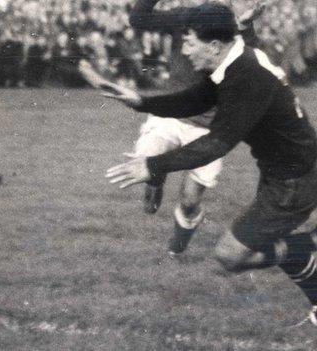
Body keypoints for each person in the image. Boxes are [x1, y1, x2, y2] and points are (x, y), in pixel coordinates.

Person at [103, 2, 317, 325]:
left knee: (230, 256)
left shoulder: (245, 75)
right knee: (260, 247)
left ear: (214, 46)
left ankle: (306, 245)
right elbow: (195, 99)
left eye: (189, 43)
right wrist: (140, 101)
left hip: (293, 180)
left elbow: (217, 142)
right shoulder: (236, 61)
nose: (185, 52)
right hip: (289, 172)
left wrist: (153, 167)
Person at [87, 0, 264, 256]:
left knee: (190, 201)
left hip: (207, 127)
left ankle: (177, 249)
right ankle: (155, 182)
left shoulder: (231, 27)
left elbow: (254, 62)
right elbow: (138, 20)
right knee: (147, 156)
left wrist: (246, 27)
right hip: (171, 113)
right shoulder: (184, 17)